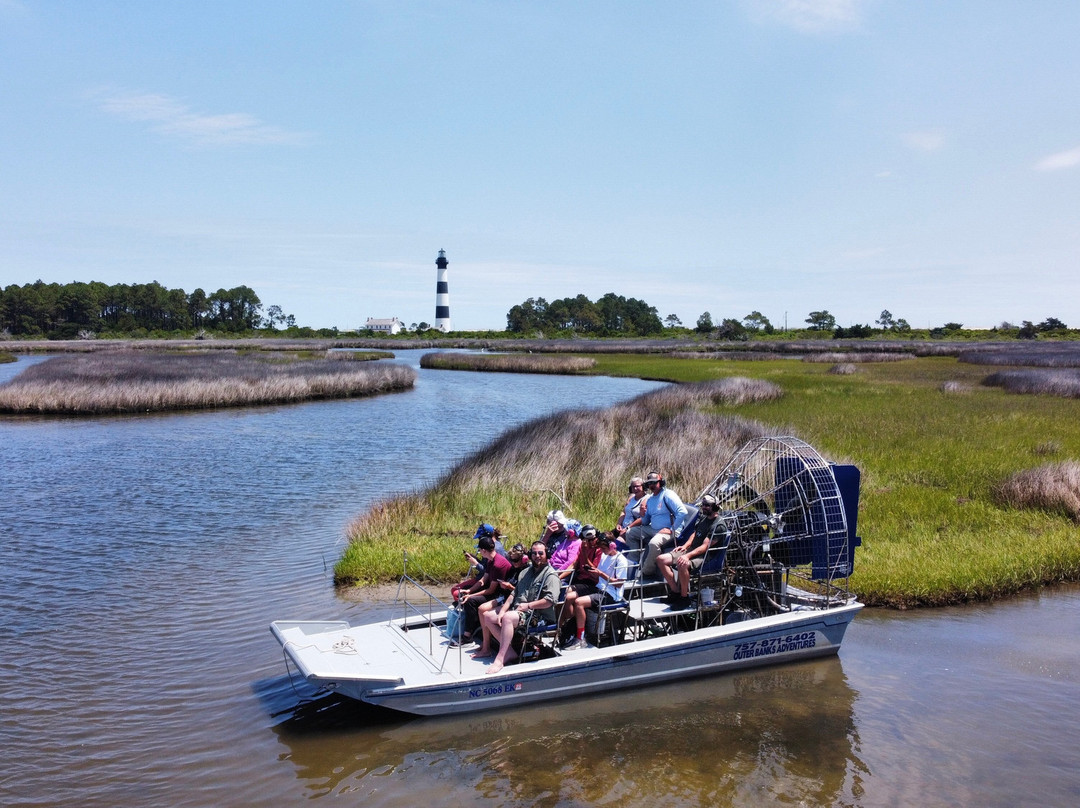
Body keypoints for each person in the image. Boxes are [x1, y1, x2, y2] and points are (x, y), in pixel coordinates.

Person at [474, 541, 561, 675]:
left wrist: (528, 605)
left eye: (540, 553)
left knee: (508, 618)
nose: (537, 556)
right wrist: (502, 610)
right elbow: (513, 594)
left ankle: (500, 659)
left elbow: (549, 601)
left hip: (538, 615)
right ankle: (509, 651)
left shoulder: (551, 576)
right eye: (534, 553)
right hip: (519, 610)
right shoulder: (525, 572)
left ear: (547, 554)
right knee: (488, 616)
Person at [656, 494, 721, 609]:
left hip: (704, 555)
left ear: (715, 507)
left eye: (707, 505)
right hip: (692, 550)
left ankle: (684, 598)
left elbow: (705, 546)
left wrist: (687, 556)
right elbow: (695, 534)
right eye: (703, 505)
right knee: (661, 560)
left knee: (683, 564)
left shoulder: (718, 525)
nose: (704, 507)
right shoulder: (703, 518)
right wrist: (685, 546)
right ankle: (676, 592)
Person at [565, 537, 629, 650]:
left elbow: (618, 584)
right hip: (599, 588)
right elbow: (597, 574)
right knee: (568, 596)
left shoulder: (621, 560)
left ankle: (580, 638)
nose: (602, 551)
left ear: (612, 546)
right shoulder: (604, 556)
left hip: (611, 595)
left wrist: (600, 574)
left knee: (579, 602)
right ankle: (571, 628)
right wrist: (590, 569)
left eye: (603, 548)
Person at [623, 470, 689, 578]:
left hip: (670, 531)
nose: (652, 485)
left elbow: (683, 512)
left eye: (654, 482)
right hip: (653, 529)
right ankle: (633, 564)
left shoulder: (668, 495)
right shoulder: (650, 499)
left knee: (653, 543)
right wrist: (642, 514)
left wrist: (671, 529)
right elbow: (646, 520)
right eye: (649, 483)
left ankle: (647, 571)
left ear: (660, 482)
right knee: (630, 533)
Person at [455, 535, 513, 642]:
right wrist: (469, 590)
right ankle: (473, 625)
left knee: (470, 601)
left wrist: (470, 596)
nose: (479, 552)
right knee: (464, 593)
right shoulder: (491, 560)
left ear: (484, 550)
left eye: (480, 550)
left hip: (500, 594)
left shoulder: (498, 564)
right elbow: (484, 579)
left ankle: (468, 636)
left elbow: (491, 590)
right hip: (493, 589)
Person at [557, 525, 603, 636]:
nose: (590, 542)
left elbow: (594, 570)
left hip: (592, 582)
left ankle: (571, 625)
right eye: (587, 540)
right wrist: (559, 577)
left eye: (592, 539)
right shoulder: (582, 546)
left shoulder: (599, 550)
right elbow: (574, 564)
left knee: (568, 596)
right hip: (580, 579)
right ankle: (561, 625)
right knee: (560, 591)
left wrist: (585, 554)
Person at [475, 543, 528, 628]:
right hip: (504, 596)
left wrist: (510, 587)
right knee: (481, 608)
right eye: (511, 559)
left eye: (516, 560)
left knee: (485, 613)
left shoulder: (526, 572)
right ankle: (485, 636)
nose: (513, 563)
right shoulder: (512, 569)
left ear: (524, 559)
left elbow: (524, 592)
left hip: (515, 600)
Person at [614, 477, 649, 543]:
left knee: (617, 543)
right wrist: (618, 524)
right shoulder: (631, 498)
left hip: (633, 529)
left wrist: (627, 528)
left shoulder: (647, 499)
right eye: (633, 487)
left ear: (643, 487)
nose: (635, 489)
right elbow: (624, 512)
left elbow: (643, 518)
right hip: (623, 527)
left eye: (637, 486)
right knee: (604, 539)